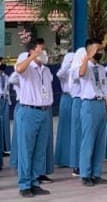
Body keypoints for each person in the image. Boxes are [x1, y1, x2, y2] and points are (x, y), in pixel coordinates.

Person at [14, 40, 54, 197]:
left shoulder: (46, 70)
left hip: (45, 112)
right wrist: (31, 58)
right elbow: (19, 69)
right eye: (40, 50)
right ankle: (24, 184)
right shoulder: (26, 67)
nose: (43, 53)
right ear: (31, 51)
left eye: (44, 50)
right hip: (29, 111)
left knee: (40, 149)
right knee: (26, 149)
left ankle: (35, 182)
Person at [74, 39, 107, 186]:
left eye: (101, 50)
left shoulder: (101, 69)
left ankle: (96, 173)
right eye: (97, 50)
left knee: (99, 142)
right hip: (89, 105)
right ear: (89, 50)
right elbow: (81, 74)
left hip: (100, 103)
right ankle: (85, 174)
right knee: (88, 141)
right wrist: (87, 58)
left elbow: (105, 88)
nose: (99, 52)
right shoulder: (83, 66)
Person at [54, 51, 75, 168]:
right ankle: (63, 158)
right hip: (67, 98)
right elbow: (59, 74)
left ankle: (74, 156)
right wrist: (68, 65)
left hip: (76, 99)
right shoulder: (64, 73)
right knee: (66, 128)